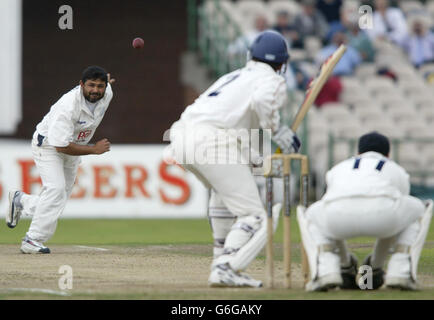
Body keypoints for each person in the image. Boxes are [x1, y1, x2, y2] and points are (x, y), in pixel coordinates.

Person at [165, 30, 301, 288]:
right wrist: (277, 130)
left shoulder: (233, 76)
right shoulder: (271, 80)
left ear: (251, 55)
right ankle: (226, 266)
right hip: (211, 141)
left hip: (182, 135)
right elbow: (262, 101)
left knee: (222, 194)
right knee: (255, 216)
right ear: (282, 63)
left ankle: (221, 256)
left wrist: (254, 157)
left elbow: (229, 123)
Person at [298, 132, 431, 291]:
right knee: (419, 209)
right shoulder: (395, 168)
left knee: (312, 213)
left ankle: (328, 269)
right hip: (384, 217)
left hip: (337, 219)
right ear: (388, 154)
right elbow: (401, 200)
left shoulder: (339, 167)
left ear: (358, 153)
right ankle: (399, 269)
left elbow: (330, 194)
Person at [6, 66, 115, 254]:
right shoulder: (68, 106)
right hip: (48, 145)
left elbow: (106, 84)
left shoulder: (107, 93)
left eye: (100, 86)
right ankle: (32, 240)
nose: (96, 90)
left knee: (59, 198)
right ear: (81, 85)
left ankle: (21, 201)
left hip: (73, 145)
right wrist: (93, 150)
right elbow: (60, 147)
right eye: (91, 85)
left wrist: (106, 82)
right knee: (55, 190)